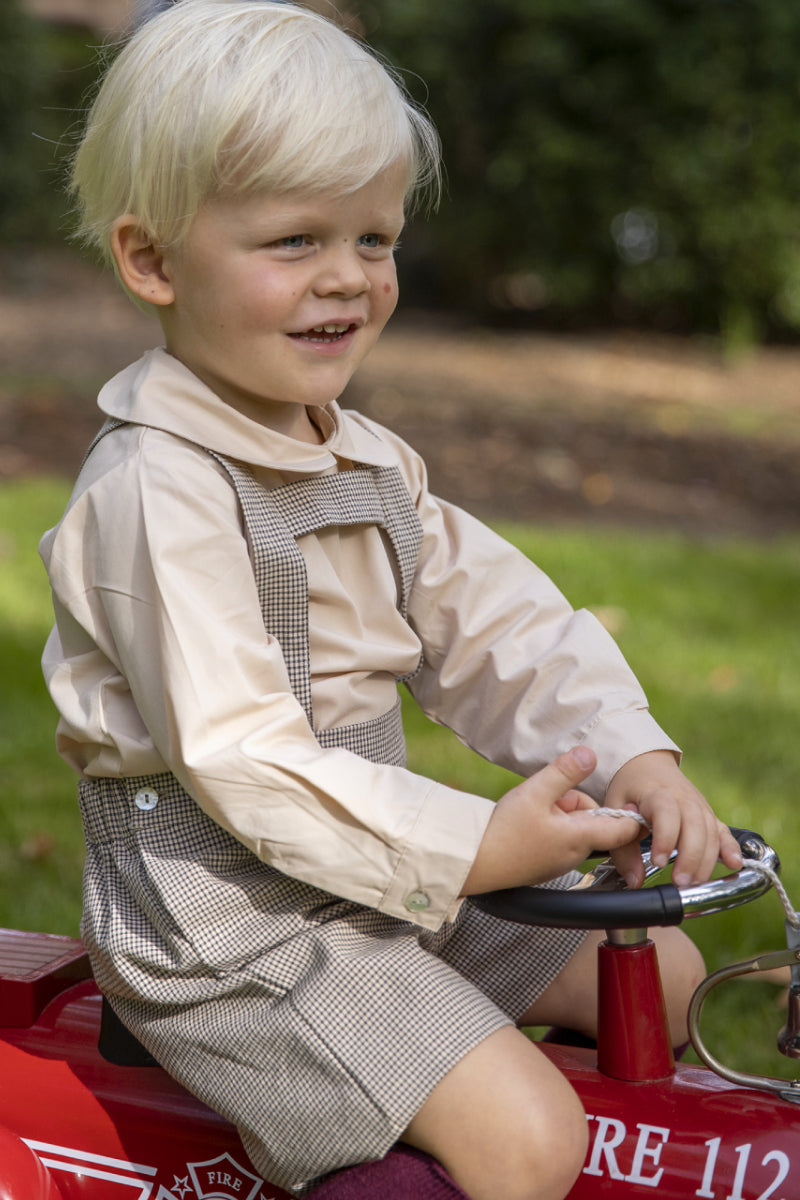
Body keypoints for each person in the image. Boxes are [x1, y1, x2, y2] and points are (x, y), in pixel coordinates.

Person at [39, 3, 742, 1198]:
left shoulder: (362, 461)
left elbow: (498, 625)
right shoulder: (156, 489)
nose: (346, 278)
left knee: (667, 979)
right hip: (229, 922)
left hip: (377, 873)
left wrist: (629, 754)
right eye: (295, 240)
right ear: (152, 261)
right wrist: (473, 846)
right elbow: (243, 759)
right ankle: (417, 1149)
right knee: (523, 1135)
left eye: (373, 237)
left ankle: (437, 1085)